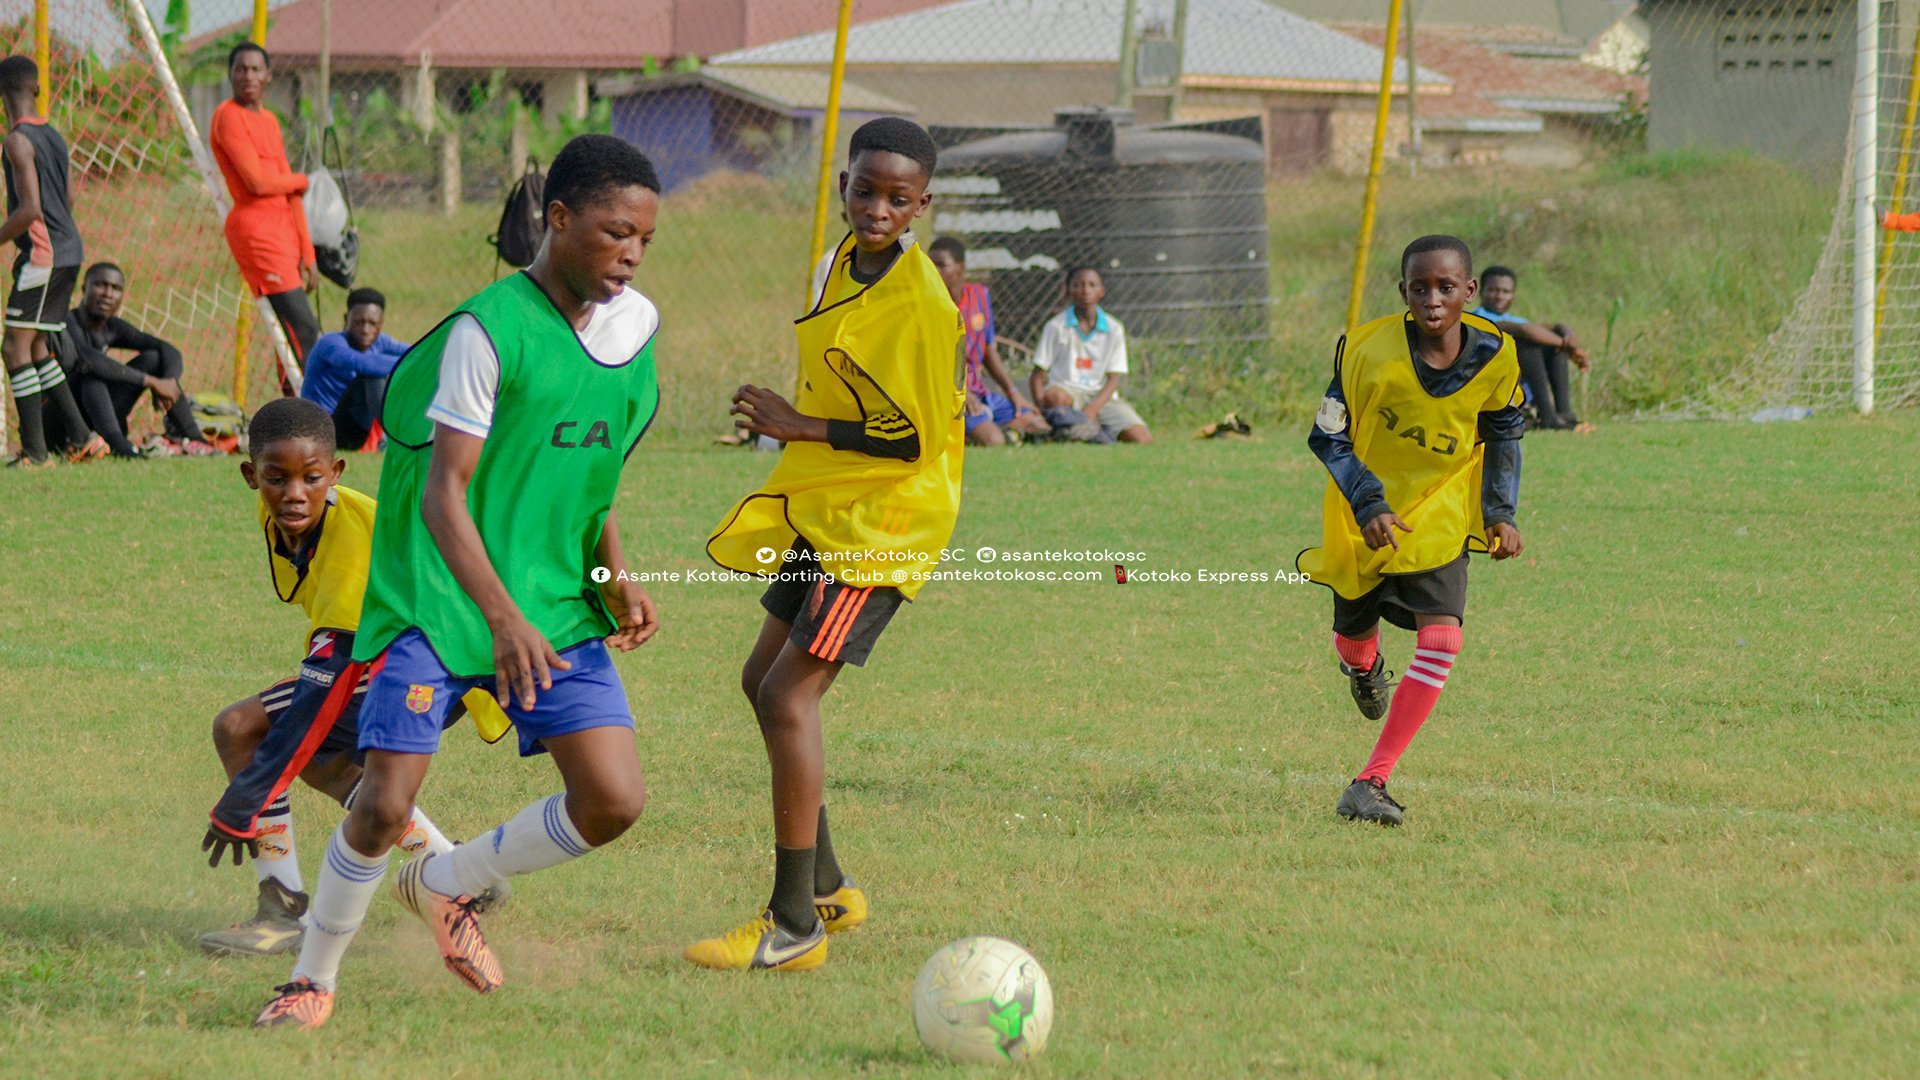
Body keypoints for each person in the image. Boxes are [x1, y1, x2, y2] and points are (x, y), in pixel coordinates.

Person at [252, 134, 664, 1030]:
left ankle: (445, 881)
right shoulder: (486, 331)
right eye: (614, 232)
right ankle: (311, 979)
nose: (631, 253)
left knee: (613, 799)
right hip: (439, 600)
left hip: (550, 603)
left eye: (644, 238)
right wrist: (500, 618)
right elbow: (445, 494)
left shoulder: (634, 328)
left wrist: (613, 576)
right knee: (382, 803)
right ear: (558, 219)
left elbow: (591, 481)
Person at [695, 116, 964, 971]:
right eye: (865, 189)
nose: (877, 209)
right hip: (832, 503)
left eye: (897, 198)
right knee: (760, 682)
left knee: (787, 697)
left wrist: (795, 423)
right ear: (845, 185)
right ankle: (831, 888)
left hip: (885, 522)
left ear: (923, 205)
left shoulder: (924, 304)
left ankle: (794, 925)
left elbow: (914, 440)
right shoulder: (837, 264)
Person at [199, 396, 487, 957]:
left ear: (335, 473)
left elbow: (326, 682)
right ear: (250, 476)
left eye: (311, 478)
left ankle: (281, 912)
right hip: (413, 656)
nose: (294, 493)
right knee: (325, 762)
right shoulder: (280, 513)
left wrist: (247, 796)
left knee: (239, 728)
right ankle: (455, 872)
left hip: (429, 664)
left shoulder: (351, 538)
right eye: (276, 479)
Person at [1297, 235, 1525, 827]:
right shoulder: (1366, 349)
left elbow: (1504, 428)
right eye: (1419, 288)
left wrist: (1500, 511)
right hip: (1363, 512)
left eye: (1446, 287)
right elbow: (1328, 436)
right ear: (1403, 292)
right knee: (1354, 636)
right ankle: (1362, 666)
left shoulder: (1496, 354)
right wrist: (1368, 501)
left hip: (1437, 509)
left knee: (1443, 638)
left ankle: (1371, 781)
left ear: (1469, 291)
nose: (1433, 299)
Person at [0, 54, 105, 467]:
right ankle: (83, 438)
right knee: (37, 343)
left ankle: (35, 452)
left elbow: (29, 209)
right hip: (67, 250)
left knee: (14, 346)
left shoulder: (16, 140)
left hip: (45, 255)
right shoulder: (54, 136)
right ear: (38, 89)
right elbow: (69, 198)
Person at [209, 42, 317, 393]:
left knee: (290, 332)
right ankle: (313, 411)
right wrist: (300, 179)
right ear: (230, 74)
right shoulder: (227, 116)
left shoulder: (269, 120)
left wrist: (308, 252)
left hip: (284, 230)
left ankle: (293, 411)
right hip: (257, 233)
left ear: (268, 75)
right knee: (304, 328)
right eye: (240, 69)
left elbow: (290, 192)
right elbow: (256, 183)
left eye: (255, 69)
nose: (248, 76)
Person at [57, 261, 204, 458]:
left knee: (153, 359)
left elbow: (168, 350)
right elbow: (89, 359)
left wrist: (168, 382)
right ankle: (120, 446)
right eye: (100, 285)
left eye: (115, 288)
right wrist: (152, 382)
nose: (108, 294)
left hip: (95, 417)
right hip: (60, 421)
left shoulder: (112, 327)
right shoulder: (66, 321)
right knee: (90, 375)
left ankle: (197, 440)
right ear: (84, 288)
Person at [926, 235, 1046, 446]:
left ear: (961, 269)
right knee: (994, 440)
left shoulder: (979, 296)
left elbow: (988, 350)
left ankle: (997, 428)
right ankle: (980, 433)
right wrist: (961, 393)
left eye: (941, 265)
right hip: (949, 395)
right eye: (930, 264)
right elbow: (928, 363)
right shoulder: (928, 306)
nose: (933, 270)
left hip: (980, 392)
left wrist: (1014, 393)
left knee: (1036, 422)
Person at [1029, 266, 1152, 444]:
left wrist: (1093, 408)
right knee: (1055, 397)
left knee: (1142, 438)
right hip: (1068, 394)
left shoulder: (1114, 328)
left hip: (1100, 398)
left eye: (1092, 285)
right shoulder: (1056, 326)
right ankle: (1069, 429)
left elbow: (1114, 380)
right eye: (1078, 285)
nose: (1086, 291)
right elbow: (1037, 375)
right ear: (1068, 291)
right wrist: (1042, 409)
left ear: (1102, 291)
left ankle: (1089, 431)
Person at [1472, 265, 1590, 433]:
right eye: (1493, 290)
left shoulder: (1513, 318)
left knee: (1551, 346)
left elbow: (1555, 326)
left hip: (1520, 388)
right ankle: (1548, 417)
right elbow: (1526, 330)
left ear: (1513, 295)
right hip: (1494, 390)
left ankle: (1565, 414)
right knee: (1527, 344)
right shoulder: (1477, 319)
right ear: (1480, 291)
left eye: (1506, 292)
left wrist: (1568, 336)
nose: (1499, 297)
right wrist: (1569, 347)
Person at [300, 287, 407, 451]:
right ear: (346, 319)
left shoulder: (380, 341)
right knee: (372, 375)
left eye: (372, 324)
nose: (365, 330)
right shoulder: (330, 343)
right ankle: (400, 436)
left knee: (412, 373)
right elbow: (364, 364)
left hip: (355, 430)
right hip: (322, 431)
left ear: (381, 324)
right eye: (358, 322)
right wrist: (409, 363)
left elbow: (417, 353)